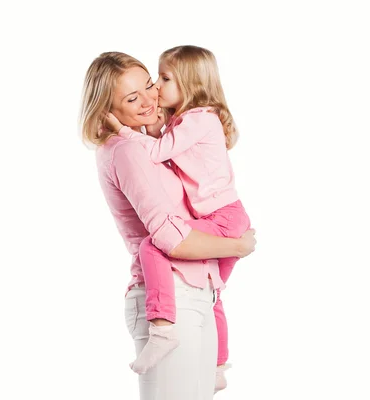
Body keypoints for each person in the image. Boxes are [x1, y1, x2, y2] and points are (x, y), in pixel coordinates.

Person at [80, 51, 256, 400]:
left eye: (149, 85)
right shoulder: (129, 150)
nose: (149, 98)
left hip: (192, 291)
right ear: (107, 111)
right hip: (170, 298)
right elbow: (170, 241)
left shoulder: (152, 140)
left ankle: (220, 365)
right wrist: (239, 246)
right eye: (132, 98)